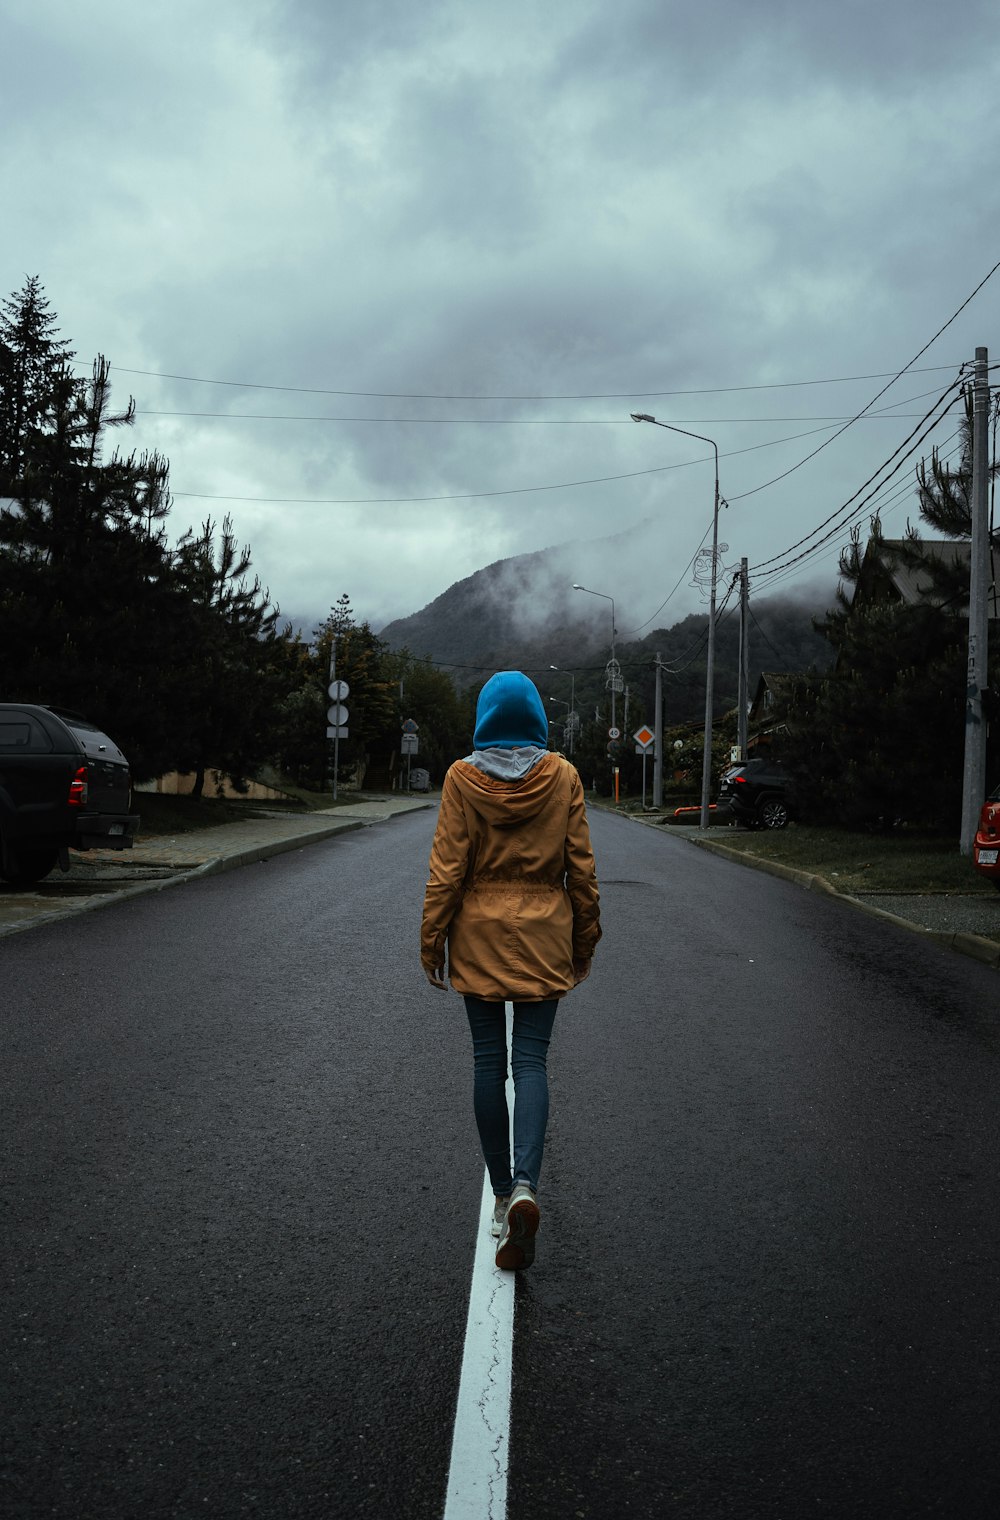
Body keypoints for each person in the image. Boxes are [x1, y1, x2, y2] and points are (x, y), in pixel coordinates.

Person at [421, 670, 601, 1270]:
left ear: (483, 722)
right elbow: (582, 871)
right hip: (546, 933)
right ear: (538, 723)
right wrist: (584, 942)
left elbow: (447, 868)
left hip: (477, 936)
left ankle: (502, 1196)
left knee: (486, 1063)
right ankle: (527, 1184)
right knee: (531, 1062)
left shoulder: (460, 779)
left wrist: (432, 939)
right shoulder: (565, 777)